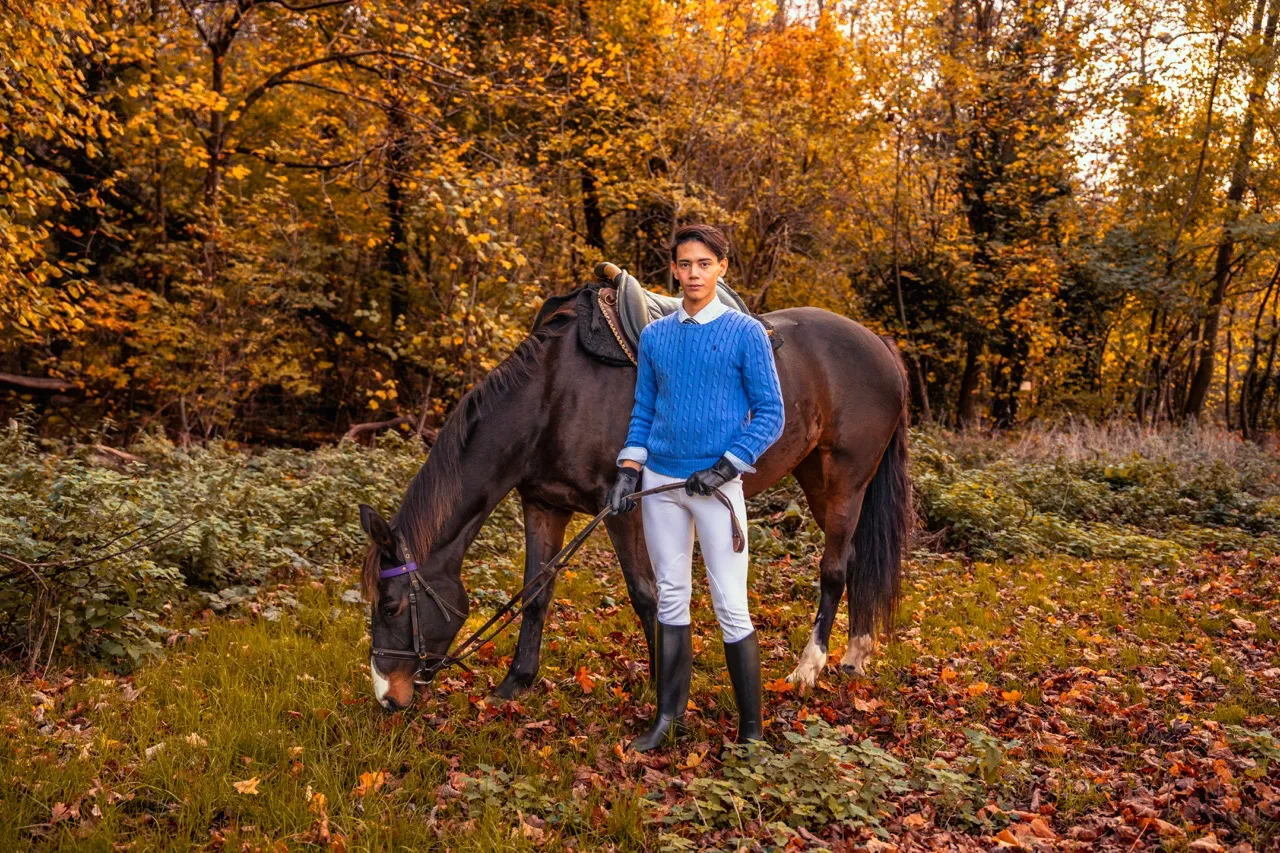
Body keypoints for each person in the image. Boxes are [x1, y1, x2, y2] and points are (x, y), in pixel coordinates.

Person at [606, 223, 785, 752]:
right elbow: (644, 409)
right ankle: (668, 717)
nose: (693, 274)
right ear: (674, 270)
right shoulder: (656, 337)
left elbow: (771, 413)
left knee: (730, 604)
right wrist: (628, 469)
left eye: (704, 264)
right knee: (671, 596)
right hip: (661, 484)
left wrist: (727, 467)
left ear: (721, 268)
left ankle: (751, 733)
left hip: (716, 489)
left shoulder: (745, 333)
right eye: (684, 264)